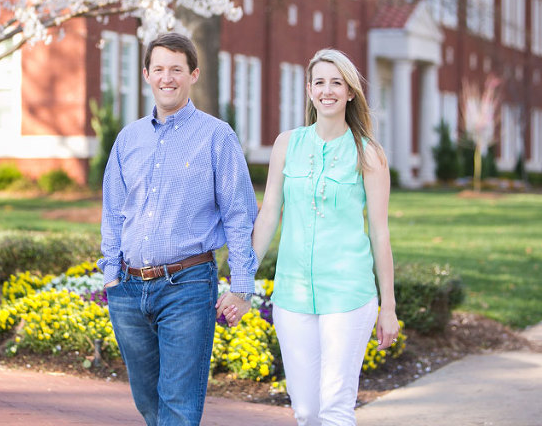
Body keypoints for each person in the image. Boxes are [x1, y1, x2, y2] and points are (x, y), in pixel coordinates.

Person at [97, 32, 257, 426]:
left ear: (193, 74)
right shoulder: (128, 139)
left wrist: (242, 285)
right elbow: (114, 211)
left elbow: (239, 214)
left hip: (187, 285)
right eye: (159, 69)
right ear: (146, 74)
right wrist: (111, 276)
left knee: (178, 405)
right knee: (148, 401)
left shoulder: (217, 137)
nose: (167, 78)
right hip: (129, 290)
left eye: (177, 70)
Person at [250, 48, 400, 426]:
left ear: (350, 92)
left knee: (335, 408)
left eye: (337, 82)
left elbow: (380, 234)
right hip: (292, 295)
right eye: (320, 82)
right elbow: (269, 213)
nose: (327, 90)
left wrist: (389, 306)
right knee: (306, 411)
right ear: (310, 90)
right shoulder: (287, 144)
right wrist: (241, 277)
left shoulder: (370, 154)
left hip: (348, 295)